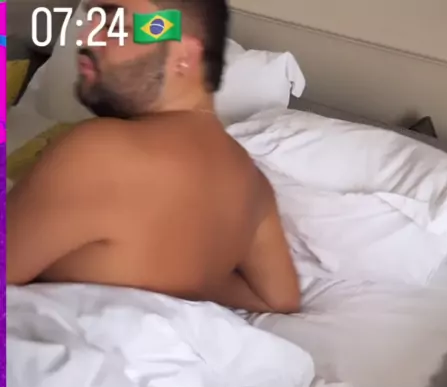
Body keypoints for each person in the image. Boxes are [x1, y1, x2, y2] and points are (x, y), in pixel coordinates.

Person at [7, 0, 300, 314]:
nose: (86, 37)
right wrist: (191, 279)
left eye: (115, 27)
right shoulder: (252, 182)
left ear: (182, 56)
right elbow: (279, 299)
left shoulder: (99, 152)